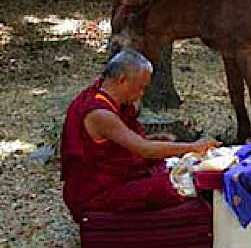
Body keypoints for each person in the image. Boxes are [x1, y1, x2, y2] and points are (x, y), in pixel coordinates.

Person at [61, 48, 219, 223]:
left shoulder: (105, 96)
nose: (142, 93)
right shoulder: (99, 113)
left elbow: (118, 143)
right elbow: (145, 151)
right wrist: (194, 147)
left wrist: (151, 140)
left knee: (170, 169)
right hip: (95, 192)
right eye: (141, 87)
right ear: (122, 80)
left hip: (115, 176)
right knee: (169, 187)